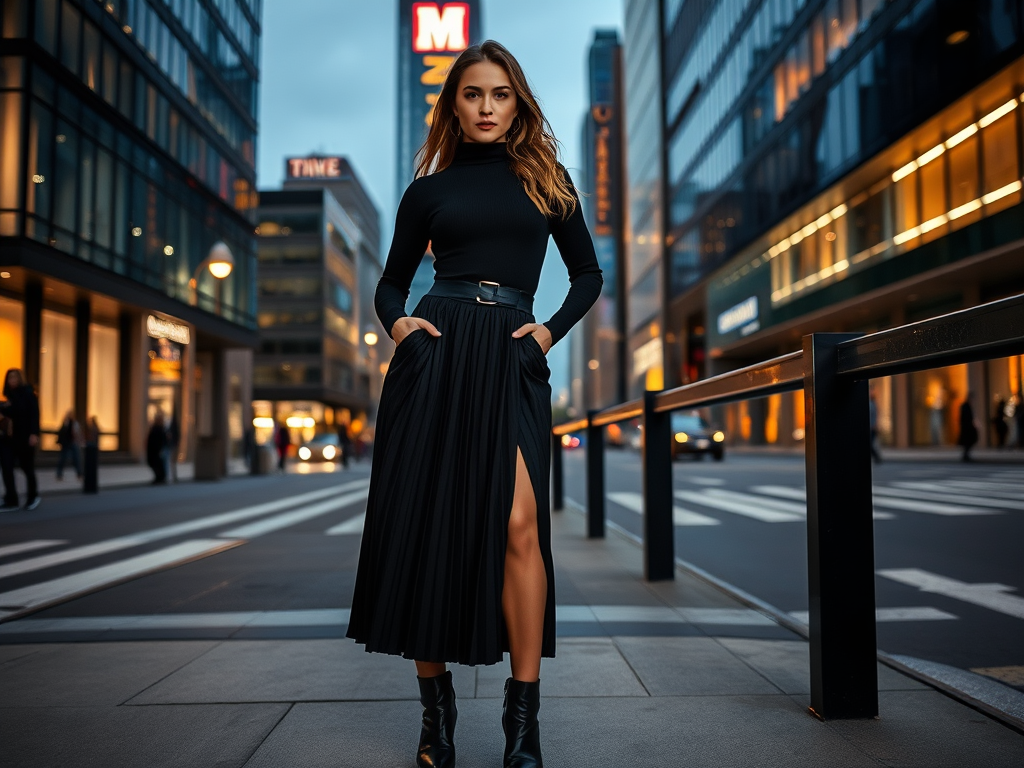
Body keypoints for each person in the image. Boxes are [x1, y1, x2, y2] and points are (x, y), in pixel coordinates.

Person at [346, 41, 602, 768]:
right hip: (436, 352)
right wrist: (403, 329)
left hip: (512, 354)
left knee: (521, 524)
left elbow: (587, 275)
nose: (486, 107)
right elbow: (390, 285)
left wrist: (545, 336)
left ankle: (523, 727)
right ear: (453, 106)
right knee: (427, 527)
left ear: (517, 103)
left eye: (500, 94)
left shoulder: (549, 183)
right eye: (472, 95)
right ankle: (437, 717)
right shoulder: (426, 192)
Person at [0, 369, 41, 511]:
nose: (11, 380)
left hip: (24, 437)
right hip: (9, 439)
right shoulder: (9, 397)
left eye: (14, 377)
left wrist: (34, 434)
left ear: (19, 378)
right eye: (9, 378)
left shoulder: (28, 394)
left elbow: (34, 413)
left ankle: (33, 496)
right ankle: (11, 498)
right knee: (6, 466)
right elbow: (10, 412)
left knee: (27, 467)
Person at [55, 410, 83, 481]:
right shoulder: (65, 423)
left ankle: (79, 474)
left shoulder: (74, 423)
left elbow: (77, 433)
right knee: (63, 459)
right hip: (66, 443)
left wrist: (79, 441)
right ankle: (59, 474)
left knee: (76, 459)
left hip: (73, 443)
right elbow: (63, 433)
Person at [146, 412, 168, 484]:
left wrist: (161, 448)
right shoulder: (156, 428)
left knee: (158, 464)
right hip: (153, 450)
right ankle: (159, 477)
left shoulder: (160, 429)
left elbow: (162, 440)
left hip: (156, 450)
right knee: (155, 464)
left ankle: (160, 478)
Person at [957, 392, 978, 462]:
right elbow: (964, 417)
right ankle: (965, 455)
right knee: (968, 441)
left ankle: (966, 455)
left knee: (969, 442)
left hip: (967, 427)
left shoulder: (967, 406)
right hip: (967, 427)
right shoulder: (965, 406)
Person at [166, 411, 180, 482]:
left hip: (172, 445)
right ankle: (172, 476)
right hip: (171, 445)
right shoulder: (173, 425)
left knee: (172, 462)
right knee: (172, 462)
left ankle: (172, 476)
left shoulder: (173, 426)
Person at [868, 390, 881, 464]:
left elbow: (875, 416)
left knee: (870, 444)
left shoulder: (872, 404)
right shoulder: (871, 403)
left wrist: (874, 425)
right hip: (872, 427)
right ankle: (877, 458)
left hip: (872, 427)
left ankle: (877, 457)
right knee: (870, 444)